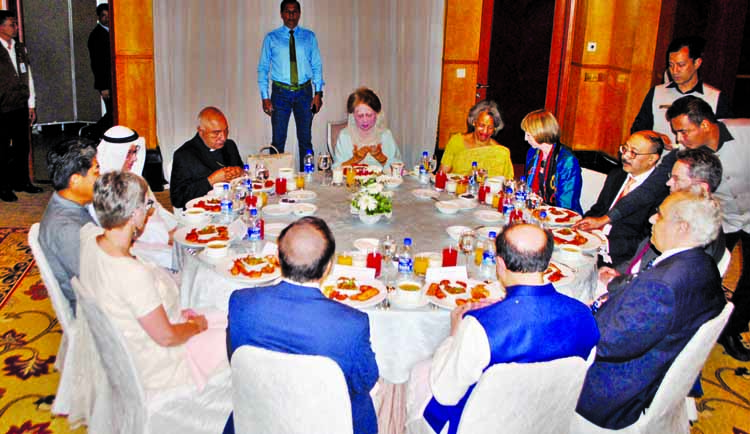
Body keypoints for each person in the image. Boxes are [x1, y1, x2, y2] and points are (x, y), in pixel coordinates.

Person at [406, 223, 599, 434]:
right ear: (547, 262)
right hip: (545, 421)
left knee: (420, 371)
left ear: (499, 264)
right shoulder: (584, 315)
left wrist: (454, 335)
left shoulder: (480, 326)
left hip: (475, 425)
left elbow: (445, 393)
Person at [576, 191, 726, 429]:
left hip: (609, 390)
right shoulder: (702, 265)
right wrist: (614, 289)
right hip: (649, 364)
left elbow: (605, 343)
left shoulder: (662, 286)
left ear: (682, 227)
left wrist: (572, 316)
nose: (651, 219)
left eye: (660, 215)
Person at [225, 217, 378, 434]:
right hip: (329, 423)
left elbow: (235, 357)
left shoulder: (241, 302)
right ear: (328, 268)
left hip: (259, 418)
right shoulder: (352, 324)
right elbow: (365, 381)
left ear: (278, 258)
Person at [79, 171, 227, 391]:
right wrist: (194, 326)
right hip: (157, 361)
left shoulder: (89, 237)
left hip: (135, 332)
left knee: (227, 317)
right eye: (148, 205)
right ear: (135, 213)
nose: (149, 212)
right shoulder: (130, 273)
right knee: (238, 339)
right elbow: (166, 337)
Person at [610, 148, 725, 276]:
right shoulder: (675, 212)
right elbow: (640, 258)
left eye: (677, 179)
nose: (668, 183)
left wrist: (615, 283)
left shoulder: (696, 236)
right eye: (671, 176)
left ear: (702, 188)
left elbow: (660, 281)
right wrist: (617, 272)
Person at [96, 125, 178, 269]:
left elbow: (157, 208)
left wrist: (175, 227)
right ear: (116, 154)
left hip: (161, 235)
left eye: (135, 151)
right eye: (129, 153)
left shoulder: (136, 179)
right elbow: (125, 229)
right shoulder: (105, 190)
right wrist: (168, 237)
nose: (134, 158)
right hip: (136, 246)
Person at [258, 0, 324, 170]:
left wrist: (318, 93)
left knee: (305, 140)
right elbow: (263, 69)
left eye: (295, 12)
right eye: (287, 12)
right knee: (278, 140)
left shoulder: (309, 37)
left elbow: (317, 65)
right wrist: (265, 97)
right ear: (281, 14)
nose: (291, 16)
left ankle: (307, 178)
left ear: (299, 14)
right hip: (280, 93)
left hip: (304, 92)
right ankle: (274, 181)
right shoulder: (271, 38)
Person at [581, 131, 664, 266]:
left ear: (652, 159)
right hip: (591, 242)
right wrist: (582, 224)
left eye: (633, 153)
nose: (624, 156)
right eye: (624, 148)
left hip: (618, 257)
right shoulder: (617, 175)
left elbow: (645, 241)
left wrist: (604, 243)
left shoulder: (659, 192)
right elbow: (599, 209)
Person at [38, 139, 99, 314]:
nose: (99, 178)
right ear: (75, 181)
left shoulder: (68, 205)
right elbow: (94, 282)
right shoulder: (66, 228)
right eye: (96, 171)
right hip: (91, 310)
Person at [631, 36, 731, 137]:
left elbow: (723, 138)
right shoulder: (657, 93)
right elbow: (637, 130)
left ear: (697, 63)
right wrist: (656, 138)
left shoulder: (716, 98)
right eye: (671, 65)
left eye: (681, 65)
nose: (674, 71)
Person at [0, 10, 41, 202]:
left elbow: (28, 76)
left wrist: (31, 104)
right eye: (11, 24)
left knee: (22, 146)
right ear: (0, 27)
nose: (15, 28)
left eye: (15, 24)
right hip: (2, 107)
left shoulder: (19, 48)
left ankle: (22, 181)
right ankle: (3, 186)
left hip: (20, 104)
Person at [170, 106, 244, 209]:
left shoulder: (230, 146)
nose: (223, 137)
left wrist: (240, 172)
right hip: (202, 214)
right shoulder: (184, 155)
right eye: (216, 133)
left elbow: (242, 175)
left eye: (226, 131)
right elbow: (177, 199)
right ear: (201, 131)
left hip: (233, 206)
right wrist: (210, 181)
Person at [522, 109, 583, 213]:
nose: (525, 139)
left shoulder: (567, 161)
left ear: (540, 133)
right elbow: (528, 187)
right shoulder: (533, 153)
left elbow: (566, 204)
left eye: (528, 135)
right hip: (537, 211)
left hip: (562, 216)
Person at [439, 100, 513, 179]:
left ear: (495, 128)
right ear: (474, 122)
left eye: (490, 127)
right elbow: (441, 175)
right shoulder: (457, 141)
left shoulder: (501, 153)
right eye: (481, 125)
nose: (485, 131)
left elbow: (506, 184)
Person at [332, 87, 402, 169]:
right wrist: (354, 159)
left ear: (377, 114)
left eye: (369, 115)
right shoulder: (345, 136)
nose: (365, 120)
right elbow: (337, 169)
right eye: (360, 116)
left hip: (382, 181)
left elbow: (398, 167)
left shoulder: (385, 135)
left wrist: (381, 158)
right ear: (352, 115)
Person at [87, 4, 112, 137]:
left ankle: (96, 132)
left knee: (115, 112)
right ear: (98, 17)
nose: (107, 19)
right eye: (104, 16)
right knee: (112, 113)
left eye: (109, 16)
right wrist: (103, 87)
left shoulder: (114, 32)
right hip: (106, 82)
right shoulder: (96, 36)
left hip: (117, 79)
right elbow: (97, 64)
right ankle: (93, 132)